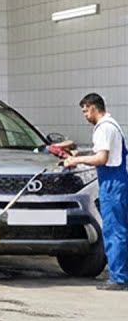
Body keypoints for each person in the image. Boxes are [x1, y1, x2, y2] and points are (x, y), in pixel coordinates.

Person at [61, 93, 127, 291]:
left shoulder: (103, 127)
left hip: (112, 183)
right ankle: (121, 275)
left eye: (85, 111)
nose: (85, 115)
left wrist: (76, 160)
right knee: (119, 229)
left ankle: (119, 278)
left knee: (114, 230)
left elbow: (102, 158)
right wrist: (80, 153)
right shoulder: (111, 124)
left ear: (92, 107)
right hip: (117, 180)